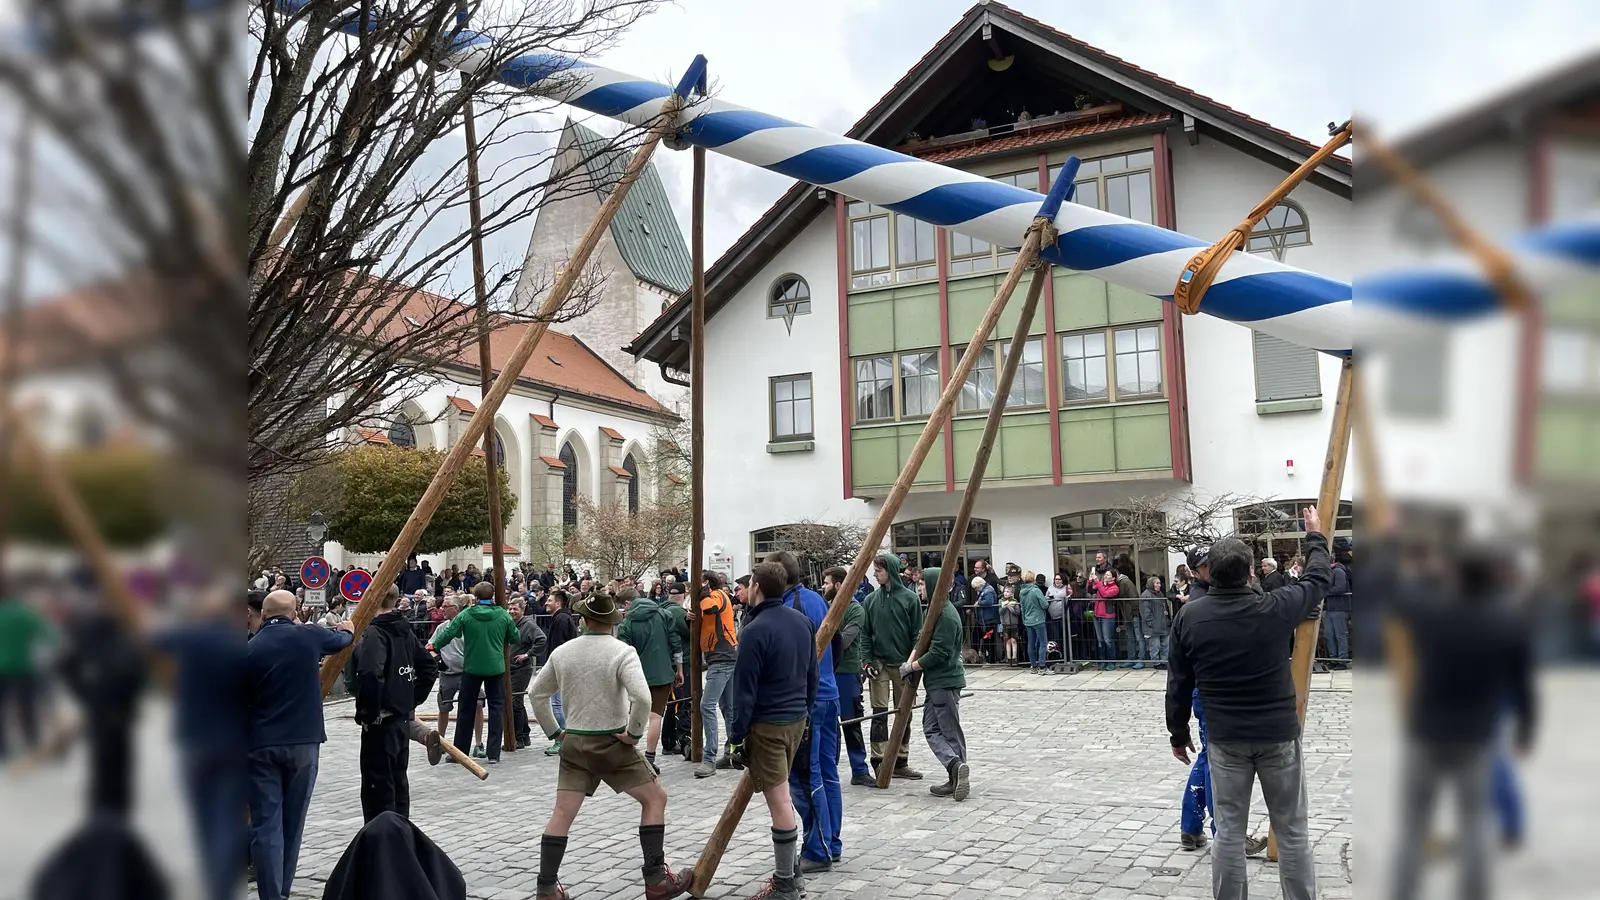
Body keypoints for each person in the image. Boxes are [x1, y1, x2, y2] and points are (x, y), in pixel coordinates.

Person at [1165, 506, 1332, 900]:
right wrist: (1314, 537)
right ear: (1251, 571)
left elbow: (1178, 682)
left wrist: (1178, 732)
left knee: (1228, 832)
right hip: (1277, 734)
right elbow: (1318, 578)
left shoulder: (1190, 617)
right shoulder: (1273, 608)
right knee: (1292, 831)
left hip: (1227, 738)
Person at [1383, 541, 1536, 900]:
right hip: (1476, 733)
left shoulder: (1432, 611)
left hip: (1427, 731)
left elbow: (1396, 596)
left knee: (1412, 827)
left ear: (1455, 576)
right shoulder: (1508, 621)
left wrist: (1397, 554)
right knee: (1473, 827)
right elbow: (1523, 683)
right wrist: (1527, 728)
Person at [528, 592, 695, 900]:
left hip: (574, 742)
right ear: (613, 622)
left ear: (584, 620)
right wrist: (633, 734)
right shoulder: (622, 652)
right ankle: (656, 880)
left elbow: (536, 694)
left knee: (562, 813)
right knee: (655, 798)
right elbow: (643, 698)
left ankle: (547, 888)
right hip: (612, 743)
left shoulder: (563, 652)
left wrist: (555, 732)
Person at [247, 590, 355, 900]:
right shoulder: (307, 636)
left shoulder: (250, 649)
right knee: (293, 823)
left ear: (263, 615)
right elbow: (341, 640)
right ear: (295, 613)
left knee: (266, 824)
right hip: (304, 742)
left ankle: (270, 895)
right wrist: (347, 629)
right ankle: (283, 890)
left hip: (261, 744)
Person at [726, 562, 819, 900]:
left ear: (757, 587)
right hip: (795, 718)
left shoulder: (754, 629)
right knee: (783, 797)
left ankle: (784, 885)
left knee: (779, 801)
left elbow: (745, 690)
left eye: (748, 584)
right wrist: (805, 712)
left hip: (768, 723)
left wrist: (736, 737)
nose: (746, 589)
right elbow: (812, 675)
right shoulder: (803, 622)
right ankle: (793, 879)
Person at [767, 550, 843, 874]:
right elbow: (835, 642)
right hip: (829, 692)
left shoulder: (787, 608)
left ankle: (818, 847)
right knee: (827, 771)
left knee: (805, 775)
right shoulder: (817, 599)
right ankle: (832, 841)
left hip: (809, 699)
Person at [352, 585, 438, 822]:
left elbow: (371, 674)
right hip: (400, 720)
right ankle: (401, 835)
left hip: (382, 722)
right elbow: (429, 666)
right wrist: (408, 699)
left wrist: (368, 713)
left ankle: (384, 844)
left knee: (378, 788)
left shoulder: (377, 633)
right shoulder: (403, 629)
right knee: (398, 784)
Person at [427, 582, 517, 765]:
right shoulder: (503, 615)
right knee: (495, 709)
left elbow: (449, 633)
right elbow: (516, 637)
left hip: (472, 668)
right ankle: (493, 754)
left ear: (475, 597)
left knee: (465, 709)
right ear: (492, 596)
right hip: (496, 668)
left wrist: (433, 646)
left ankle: (460, 752)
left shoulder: (466, 615)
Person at [903, 566, 970, 800]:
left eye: (922, 584)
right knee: (933, 728)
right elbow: (922, 641)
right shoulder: (932, 612)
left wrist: (912, 667)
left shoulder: (946, 615)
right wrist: (910, 661)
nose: (918, 587)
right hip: (937, 683)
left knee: (947, 730)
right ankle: (956, 772)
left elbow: (938, 653)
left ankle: (956, 768)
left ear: (932, 585)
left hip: (945, 681)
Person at [860, 553, 924, 782]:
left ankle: (900, 760)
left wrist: (912, 662)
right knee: (880, 713)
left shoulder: (910, 599)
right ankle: (878, 761)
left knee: (903, 713)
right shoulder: (870, 600)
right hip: (880, 665)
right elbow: (865, 634)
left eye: (879, 570)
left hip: (903, 666)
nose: (875, 574)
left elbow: (919, 633)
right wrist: (866, 661)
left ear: (891, 570)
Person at [616, 586, 684, 773]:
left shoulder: (627, 623)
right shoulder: (664, 615)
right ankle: (650, 757)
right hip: (662, 673)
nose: (624, 611)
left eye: (623, 607)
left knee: (632, 714)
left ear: (628, 603)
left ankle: (629, 754)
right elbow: (675, 643)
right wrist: (679, 670)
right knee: (656, 717)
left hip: (635, 675)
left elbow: (622, 651)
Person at [823, 566, 873, 787]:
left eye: (826, 583)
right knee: (827, 723)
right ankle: (828, 767)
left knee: (851, 720)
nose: (823, 587)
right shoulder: (824, 607)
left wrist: (827, 633)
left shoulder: (855, 610)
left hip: (847, 672)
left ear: (838, 585)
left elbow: (843, 641)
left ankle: (859, 769)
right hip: (827, 671)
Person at [691, 572, 739, 778]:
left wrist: (701, 595)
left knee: (706, 705)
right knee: (727, 707)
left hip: (722, 658)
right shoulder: (717, 595)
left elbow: (710, 607)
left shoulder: (716, 595)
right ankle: (733, 753)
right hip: (724, 655)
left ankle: (709, 759)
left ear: (706, 584)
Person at [0, 591, 53, 760]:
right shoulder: (26, 614)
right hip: (24, 667)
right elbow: (49, 634)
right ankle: (32, 742)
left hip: (1, 668)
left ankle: (3, 749)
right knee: (27, 707)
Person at [543, 589, 579, 756]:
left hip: (561, 669)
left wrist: (554, 669)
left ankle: (562, 739)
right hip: (566, 667)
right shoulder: (564, 618)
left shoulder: (561, 619)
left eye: (549, 600)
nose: (546, 603)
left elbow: (559, 648)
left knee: (557, 704)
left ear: (558, 603)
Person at [509, 598, 549, 750]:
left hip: (521, 670)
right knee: (516, 702)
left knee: (515, 702)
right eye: (510, 609)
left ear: (522, 610)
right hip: (510, 669)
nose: (512, 611)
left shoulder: (528, 625)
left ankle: (519, 737)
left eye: (515, 609)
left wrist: (527, 654)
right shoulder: (512, 624)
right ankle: (525, 734)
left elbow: (541, 639)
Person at [1324, 541, 1353, 669]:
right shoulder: (1330, 572)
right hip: (1330, 608)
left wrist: (1324, 591)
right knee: (1329, 635)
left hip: (1340, 608)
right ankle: (1334, 658)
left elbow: (1340, 588)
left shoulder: (1338, 572)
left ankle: (1342, 660)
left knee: (1340, 635)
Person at [1019, 571, 1049, 673]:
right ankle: (1042, 666)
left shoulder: (1021, 592)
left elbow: (1022, 607)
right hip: (1038, 619)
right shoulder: (1035, 590)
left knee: (1031, 643)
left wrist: (1024, 619)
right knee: (1043, 643)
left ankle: (1033, 666)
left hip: (1027, 620)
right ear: (1034, 579)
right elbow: (1045, 605)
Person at [1141, 576, 1171, 669]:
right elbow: (1146, 612)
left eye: (1159, 583)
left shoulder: (1160, 594)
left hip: (1163, 624)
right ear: (1151, 584)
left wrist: (1168, 620)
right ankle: (1156, 663)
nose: (1159, 585)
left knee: (1166, 645)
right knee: (1155, 646)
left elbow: (1165, 608)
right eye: (1157, 583)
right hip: (1153, 626)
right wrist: (1152, 623)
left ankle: (1164, 661)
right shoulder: (1146, 595)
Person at [1092, 571, 1120, 670]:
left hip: (1107, 616)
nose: (1105, 576)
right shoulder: (1102, 585)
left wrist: (1097, 582)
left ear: (1113, 578)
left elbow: (1105, 594)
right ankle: (1103, 661)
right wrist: (1091, 581)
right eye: (1105, 574)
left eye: (1108, 575)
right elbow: (1091, 589)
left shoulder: (1115, 588)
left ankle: (1111, 662)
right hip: (1097, 615)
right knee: (1100, 640)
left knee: (1108, 640)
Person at [972, 576, 999, 663]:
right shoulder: (985, 590)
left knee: (989, 641)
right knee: (979, 637)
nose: (975, 590)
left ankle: (991, 659)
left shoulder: (988, 591)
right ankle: (981, 657)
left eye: (976, 588)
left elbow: (989, 602)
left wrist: (979, 603)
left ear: (980, 585)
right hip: (983, 620)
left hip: (989, 620)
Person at [1046, 574, 1069, 664]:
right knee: (1055, 638)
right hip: (1052, 617)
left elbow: (1067, 596)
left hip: (1063, 617)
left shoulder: (1066, 588)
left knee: (1063, 637)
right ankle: (1055, 657)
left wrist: (1055, 597)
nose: (1057, 581)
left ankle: (1065, 657)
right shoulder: (1050, 588)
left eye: (1059, 579)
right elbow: (1045, 598)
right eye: (1056, 579)